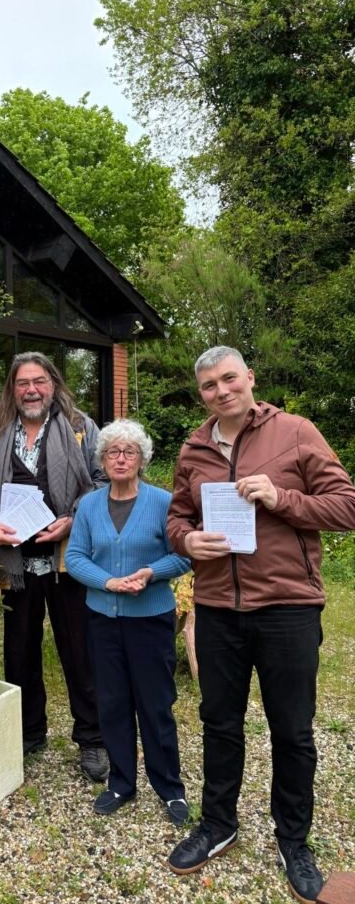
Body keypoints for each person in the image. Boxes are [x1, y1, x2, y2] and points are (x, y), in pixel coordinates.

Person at [166, 346, 355, 904]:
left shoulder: (295, 432)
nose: (221, 391)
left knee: (292, 731)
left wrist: (282, 498)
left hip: (287, 608)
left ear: (249, 379)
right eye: (208, 386)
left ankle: (293, 839)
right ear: (200, 394)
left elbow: (346, 506)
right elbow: (178, 517)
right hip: (220, 608)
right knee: (219, 723)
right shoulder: (194, 448)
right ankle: (218, 822)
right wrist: (186, 540)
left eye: (229, 379)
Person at [0, 351, 109, 783]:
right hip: (14, 563)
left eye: (39, 381)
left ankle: (92, 738)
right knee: (19, 653)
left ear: (53, 383)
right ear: (12, 389)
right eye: (22, 383)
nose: (31, 390)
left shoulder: (81, 429)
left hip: (68, 562)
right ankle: (28, 732)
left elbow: (102, 482)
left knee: (80, 652)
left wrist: (75, 520)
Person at [65, 419, 191, 823]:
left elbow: (185, 555)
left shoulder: (163, 502)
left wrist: (151, 573)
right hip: (102, 619)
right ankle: (121, 782)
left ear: (141, 459)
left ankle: (170, 787)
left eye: (129, 452)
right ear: (102, 460)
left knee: (156, 704)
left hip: (150, 619)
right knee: (113, 702)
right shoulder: (88, 505)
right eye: (113, 452)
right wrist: (108, 582)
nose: (120, 458)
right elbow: (75, 558)